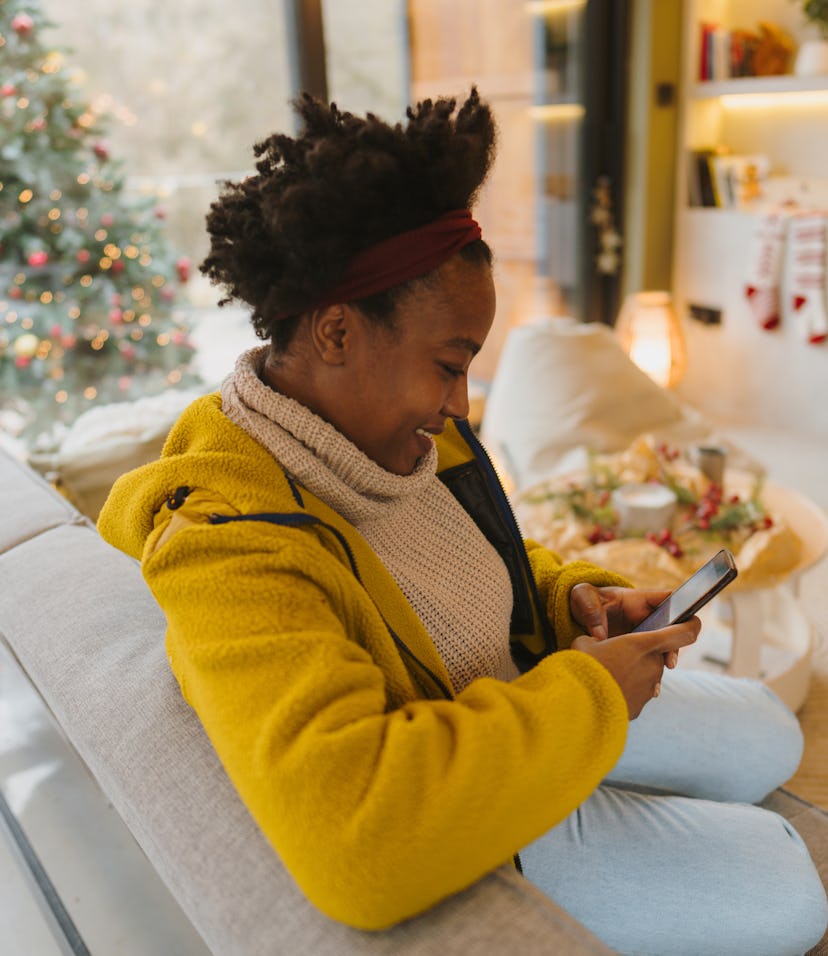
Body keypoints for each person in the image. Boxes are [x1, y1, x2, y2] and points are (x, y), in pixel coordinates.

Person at [97, 89, 827, 954]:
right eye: (450, 365)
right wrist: (588, 697)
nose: (460, 404)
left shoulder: (392, 438)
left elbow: (483, 565)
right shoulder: (228, 545)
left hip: (519, 689)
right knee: (790, 885)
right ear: (337, 332)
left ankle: (593, 772)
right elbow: (357, 841)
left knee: (772, 733)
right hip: (470, 772)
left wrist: (570, 599)